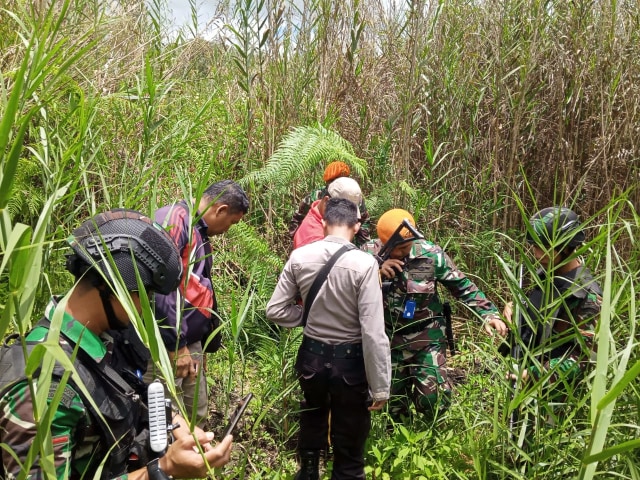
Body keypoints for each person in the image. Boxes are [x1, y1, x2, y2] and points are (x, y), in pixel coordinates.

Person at [0, 209, 233, 479]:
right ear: (114, 286)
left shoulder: (104, 340)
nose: (147, 308)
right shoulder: (43, 387)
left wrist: (177, 425)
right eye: (144, 295)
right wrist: (162, 470)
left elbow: (129, 394)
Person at [267, 198, 391, 480]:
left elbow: (275, 310)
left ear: (323, 223)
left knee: (312, 414)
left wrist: (307, 317)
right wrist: (381, 386)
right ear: (357, 226)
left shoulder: (300, 256)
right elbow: (373, 331)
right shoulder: (365, 263)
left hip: (311, 358)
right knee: (350, 435)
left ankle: (309, 471)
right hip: (350, 364)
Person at [362, 208, 507, 419]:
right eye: (400, 248)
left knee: (435, 399)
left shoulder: (429, 255)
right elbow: (351, 291)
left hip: (426, 336)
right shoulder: (366, 255)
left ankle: (430, 434)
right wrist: (375, 273)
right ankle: (401, 440)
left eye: (408, 245)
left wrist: (489, 314)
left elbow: (462, 286)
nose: (406, 252)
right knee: (392, 406)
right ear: (385, 244)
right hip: (386, 339)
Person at [147, 180, 249, 428]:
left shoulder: (197, 229)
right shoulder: (176, 219)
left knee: (195, 412)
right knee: (164, 416)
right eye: (232, 222)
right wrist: (176, 344)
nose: (228, 229)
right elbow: (161, 286)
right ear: (221, 209)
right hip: (168, 343)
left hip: (187, 342)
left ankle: (195, 461)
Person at [503, 207, 602, 409]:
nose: (536, 253)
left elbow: (587, 357)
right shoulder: (546, 272)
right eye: (534, 246)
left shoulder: (586, 294)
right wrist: (515, 308)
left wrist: (535, 374)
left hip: (555, 401)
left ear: (566, 247)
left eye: (542, 247)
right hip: (524, 381)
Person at [289, 161, 371, 246]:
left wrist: (362, 248)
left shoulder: (353, 195)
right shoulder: (317, 195)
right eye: (333, 180)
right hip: (317, 240)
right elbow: (298, 217)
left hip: (346, 242)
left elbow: (363, 220)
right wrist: (297, 240)